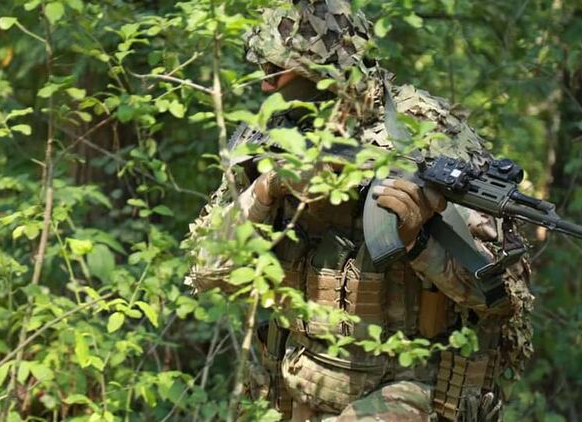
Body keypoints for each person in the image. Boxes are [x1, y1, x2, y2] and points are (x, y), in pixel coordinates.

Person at [185, 1, 534, 420]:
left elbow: (501, 299)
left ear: (323, 71)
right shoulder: (275, 135)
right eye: (263, 72)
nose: (266, 88)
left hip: (407, 389)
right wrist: (268, 188)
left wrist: (418, 241)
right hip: (295, 380)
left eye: (276, 73)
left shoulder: (424, 137)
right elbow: (207, 270)